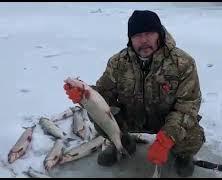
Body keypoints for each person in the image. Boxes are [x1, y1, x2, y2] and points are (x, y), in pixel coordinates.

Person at [63, 10, 205, 177]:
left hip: (167, 122)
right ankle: (122, 143)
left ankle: (181, 155)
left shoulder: (183, 63)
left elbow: (188, 106)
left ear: (159, 34)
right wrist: (84, 97)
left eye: (149, 33)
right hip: (132, 118)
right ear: (130, 38)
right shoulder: (118, 62)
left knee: (192, 136)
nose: (144, 40)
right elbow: (103, 94)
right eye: (137, 35)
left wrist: (167, 138)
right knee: (99, 116)